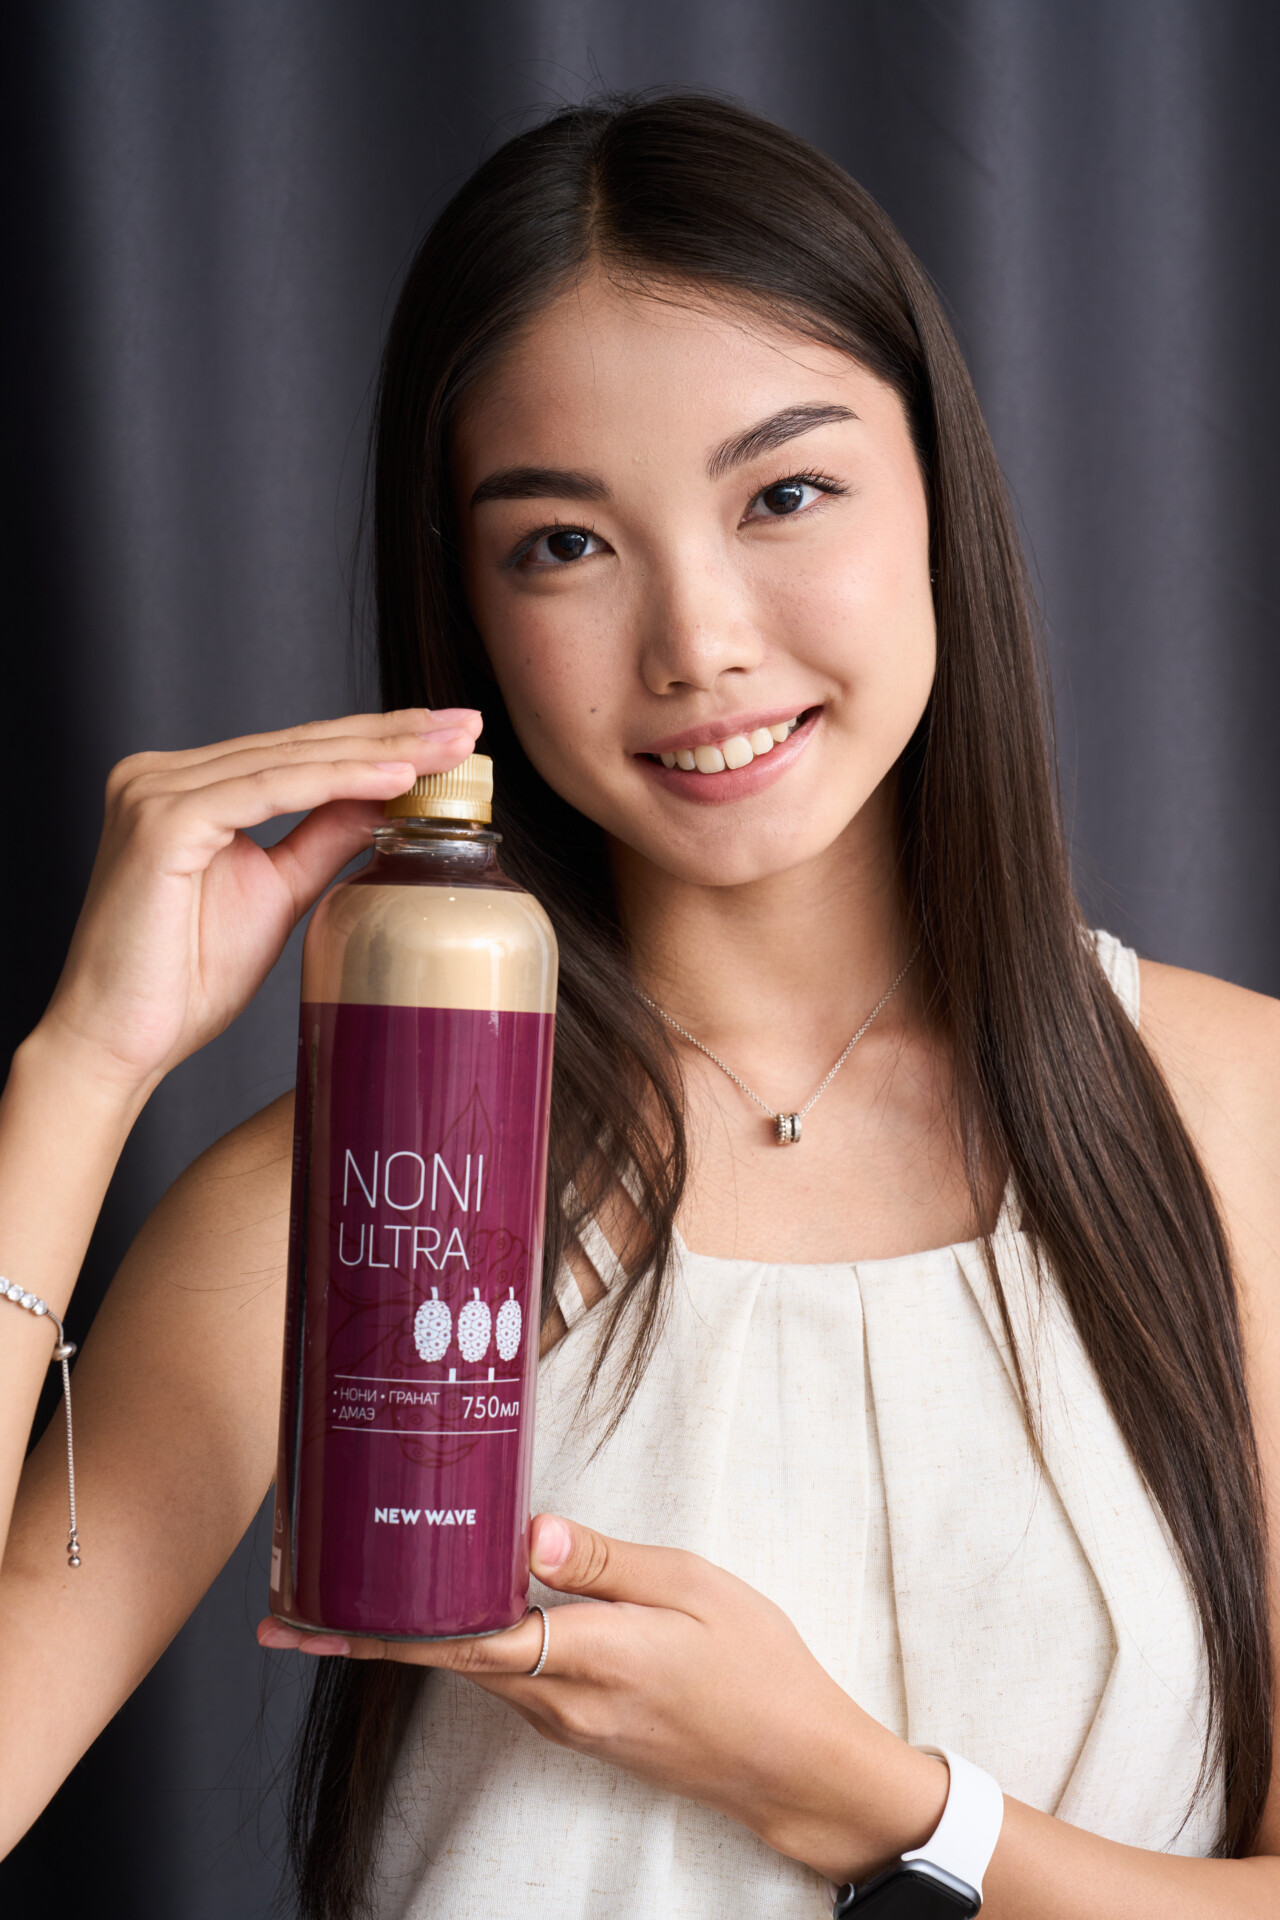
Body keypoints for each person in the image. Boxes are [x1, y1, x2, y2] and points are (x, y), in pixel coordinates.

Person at [1, 91, 1277, 1920]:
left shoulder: (1235, 1111)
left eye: (785, 494)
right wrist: (82, 1067)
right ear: (472, 607)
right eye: (564, 544)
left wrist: (874, 1799)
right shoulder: (363, 1196)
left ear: (941, 490)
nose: (698, 644)